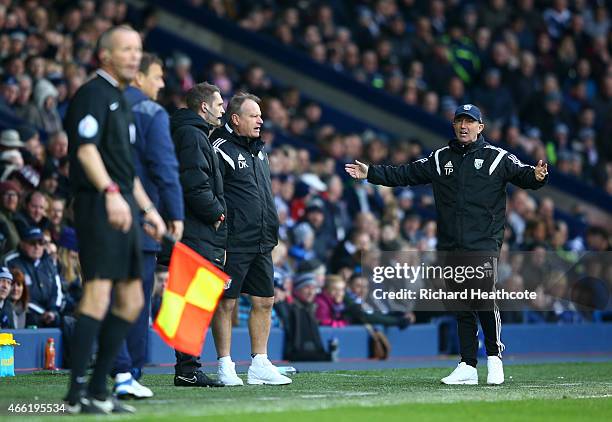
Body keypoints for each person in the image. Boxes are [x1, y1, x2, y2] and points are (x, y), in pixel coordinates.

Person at [346, 104, 548, 385]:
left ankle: (494, 357)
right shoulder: (440, 159)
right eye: (459, 121)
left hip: (483, 242)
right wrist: (371, 173)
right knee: (461, 304)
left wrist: (538, 178)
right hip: (451, 243)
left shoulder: (497, 158)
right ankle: (467, 364)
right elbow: (405, 174)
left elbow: (525, 175)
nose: (464, 126)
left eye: (470, 121)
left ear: (481, 127)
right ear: (454, 126)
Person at [62, 25, 166, 414]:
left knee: (132, 298)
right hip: (98, 205)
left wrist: (150, 211)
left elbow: (128, 171)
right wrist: (109, 193)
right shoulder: (93, 94)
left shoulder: (121, 100)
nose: (134, 56)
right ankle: (76, 395)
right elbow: (86, 151)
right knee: (99, 293)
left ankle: (99, 389)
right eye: (125, 49)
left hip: (123, 207)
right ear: (105, 55)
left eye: (137, 50)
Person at [111, 52, 184, 398]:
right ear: (139, 77)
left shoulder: (103, 103)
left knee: (105, 296)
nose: (162, 83)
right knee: (136, 300)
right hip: (141, 221)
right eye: (157, 76)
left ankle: (110, 369)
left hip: (101, 217)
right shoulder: (151, 113)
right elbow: (164, 168)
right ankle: (130, 372)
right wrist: (175, 214)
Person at [211, 93, 291, 385]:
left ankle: (259, 362)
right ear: (235, 119)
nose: (260, 120)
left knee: (265, 301)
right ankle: (225, 364)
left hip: (261, 240)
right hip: (233, 242)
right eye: (253, 115)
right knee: (225, 303)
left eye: (260, 115)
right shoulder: (219, 148)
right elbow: (213, 194)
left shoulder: (260, 151)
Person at [170, 82, 227, 387]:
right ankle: (187, 369)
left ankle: (187, 368)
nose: (223, 110)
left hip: (196, 229)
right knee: (193, 300)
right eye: (220, 105)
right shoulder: (192, 135)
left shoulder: (194, 133)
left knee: (195, 301)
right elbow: (194, 183)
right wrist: (216, 212)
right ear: (204, 107)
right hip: (196, 229)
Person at [4, 226, 62, 328]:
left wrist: (52, 311)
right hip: (25, 314)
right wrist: (42, 313)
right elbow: (12, 292)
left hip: (51, 314)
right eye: (32, 242)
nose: (37, 246)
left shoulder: (49, 262)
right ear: (22, 243)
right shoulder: (10, 261)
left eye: (40, 242)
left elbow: (57, 291)